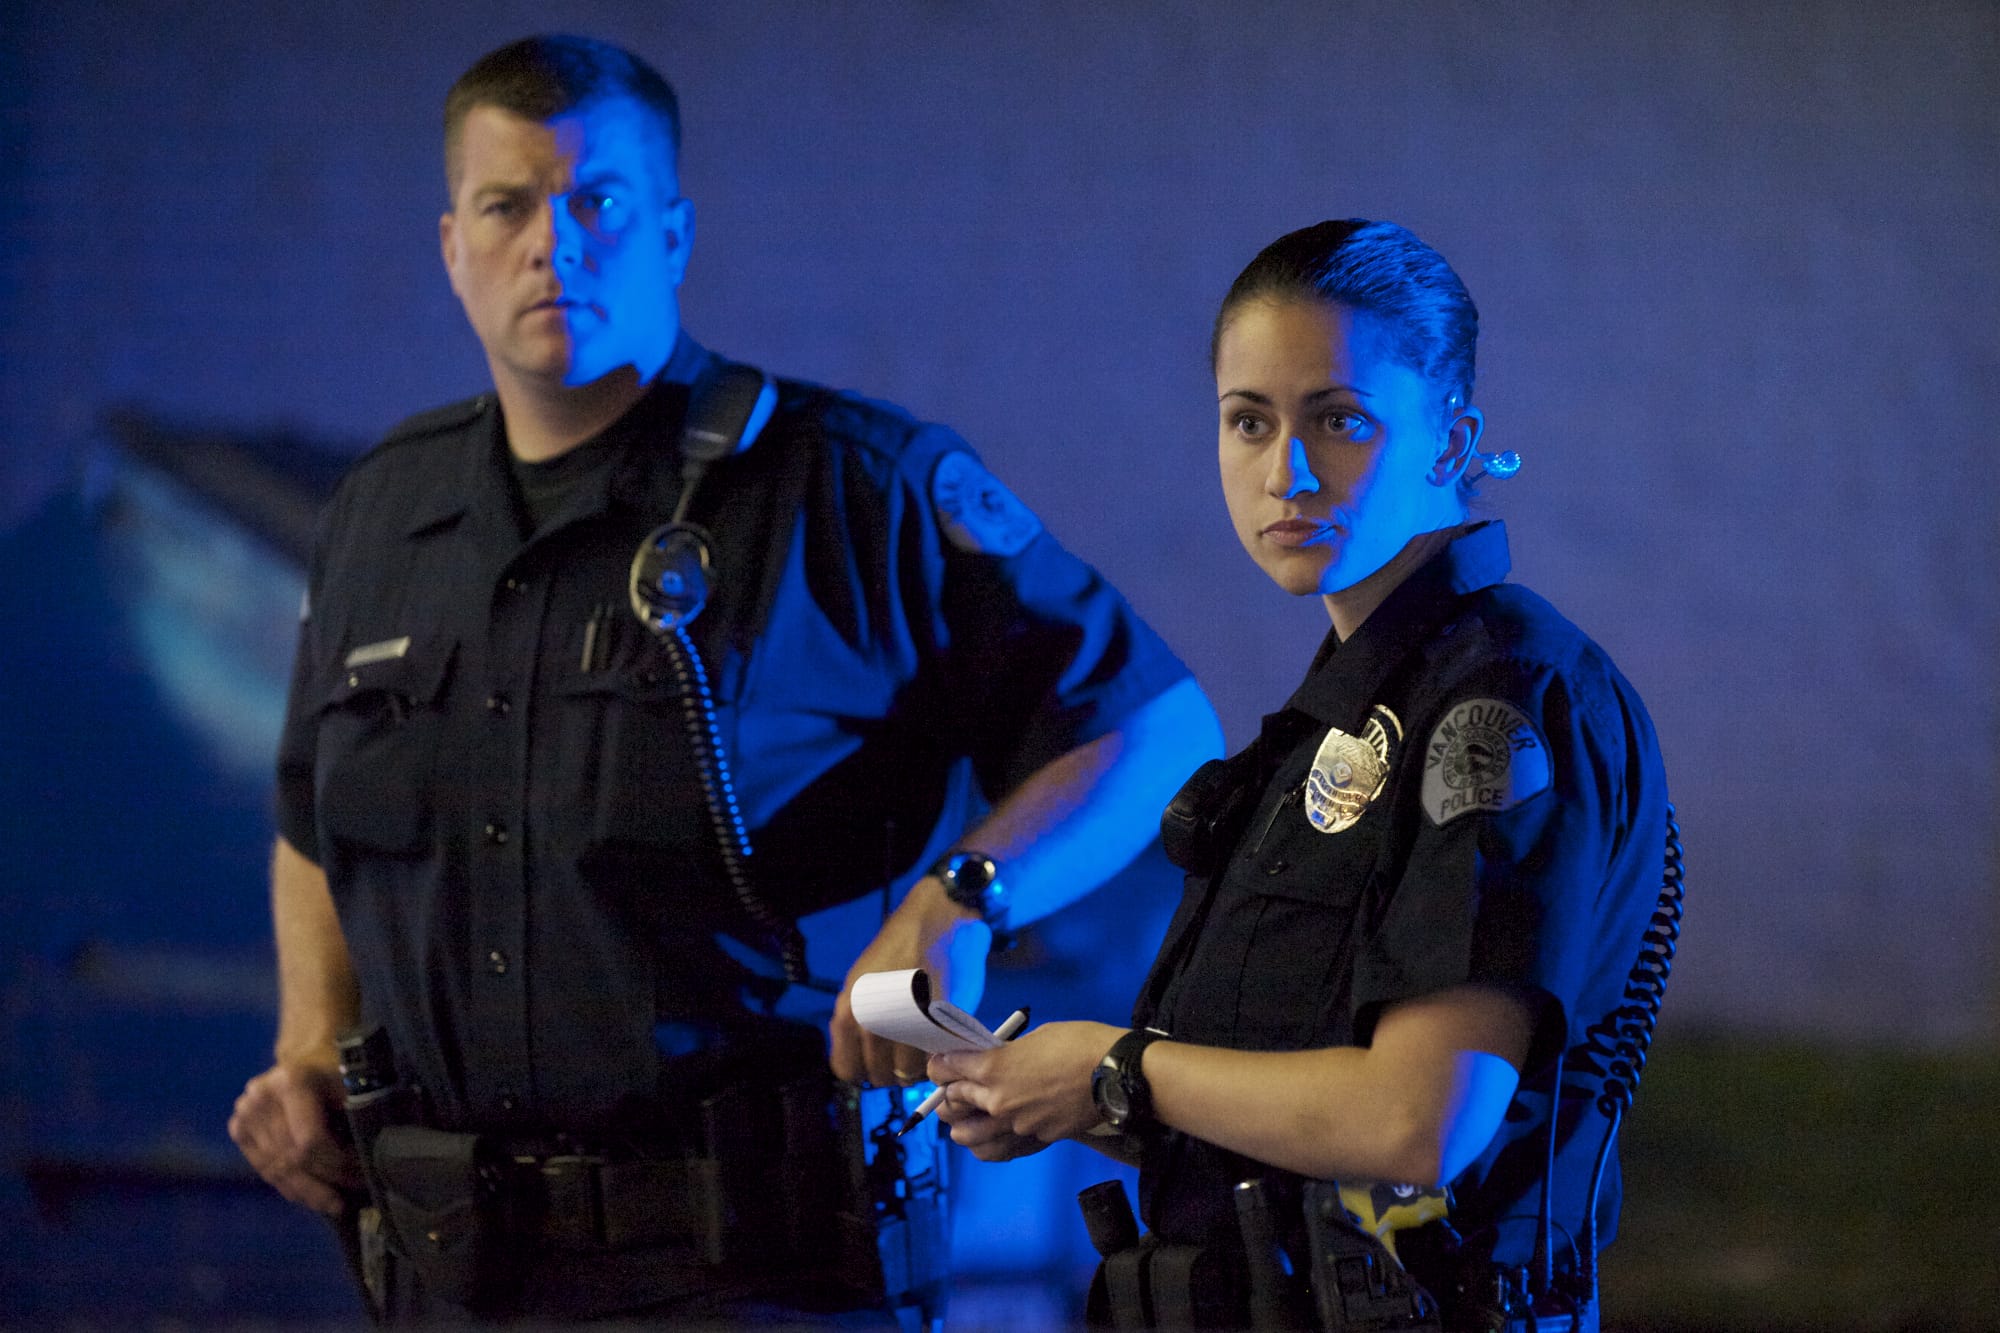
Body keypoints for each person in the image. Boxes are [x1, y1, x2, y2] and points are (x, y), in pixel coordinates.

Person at [224, 33, 1220, 1326]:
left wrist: (957, 901)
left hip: (757, 1263)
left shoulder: (849, 487)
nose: (552, 242)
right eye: (506, 206)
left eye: (599, 202)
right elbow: (314, 819)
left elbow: (1156, 726)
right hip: (445, 1262)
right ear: (452, 246)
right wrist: (309, 1043)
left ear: (675, 233)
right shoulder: (381, 510)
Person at [930, 219, 1670, 1331]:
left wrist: (1115, 1068)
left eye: (1340, 420)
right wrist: (1051, 1091)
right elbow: (1278, 1096)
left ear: (1450, 438)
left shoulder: (1497, 699)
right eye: (1248, 421)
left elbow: (1417, 1122)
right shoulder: (1337, 720)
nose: (1286, 471)